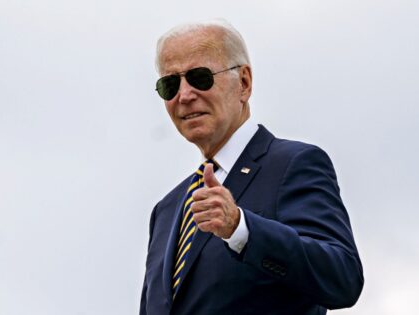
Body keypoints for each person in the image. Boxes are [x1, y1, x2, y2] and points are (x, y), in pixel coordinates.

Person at [140, 19, 364, 315]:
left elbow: (342, 278)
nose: (184, 95)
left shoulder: (292, 164)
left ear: (243, 83)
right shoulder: (167, 210)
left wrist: (241, 229)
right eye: (170, 84)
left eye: (200, 77)